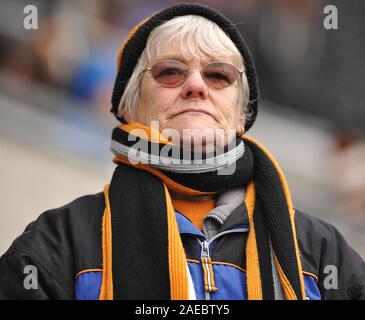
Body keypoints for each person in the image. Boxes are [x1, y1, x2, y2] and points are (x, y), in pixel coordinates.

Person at [0, 3, 364, 300]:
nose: (195, 85)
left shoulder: (323, 253)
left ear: (241, 116)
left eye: (218, 76)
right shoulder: (56, 245)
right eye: (170, 72)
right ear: (130, 107)